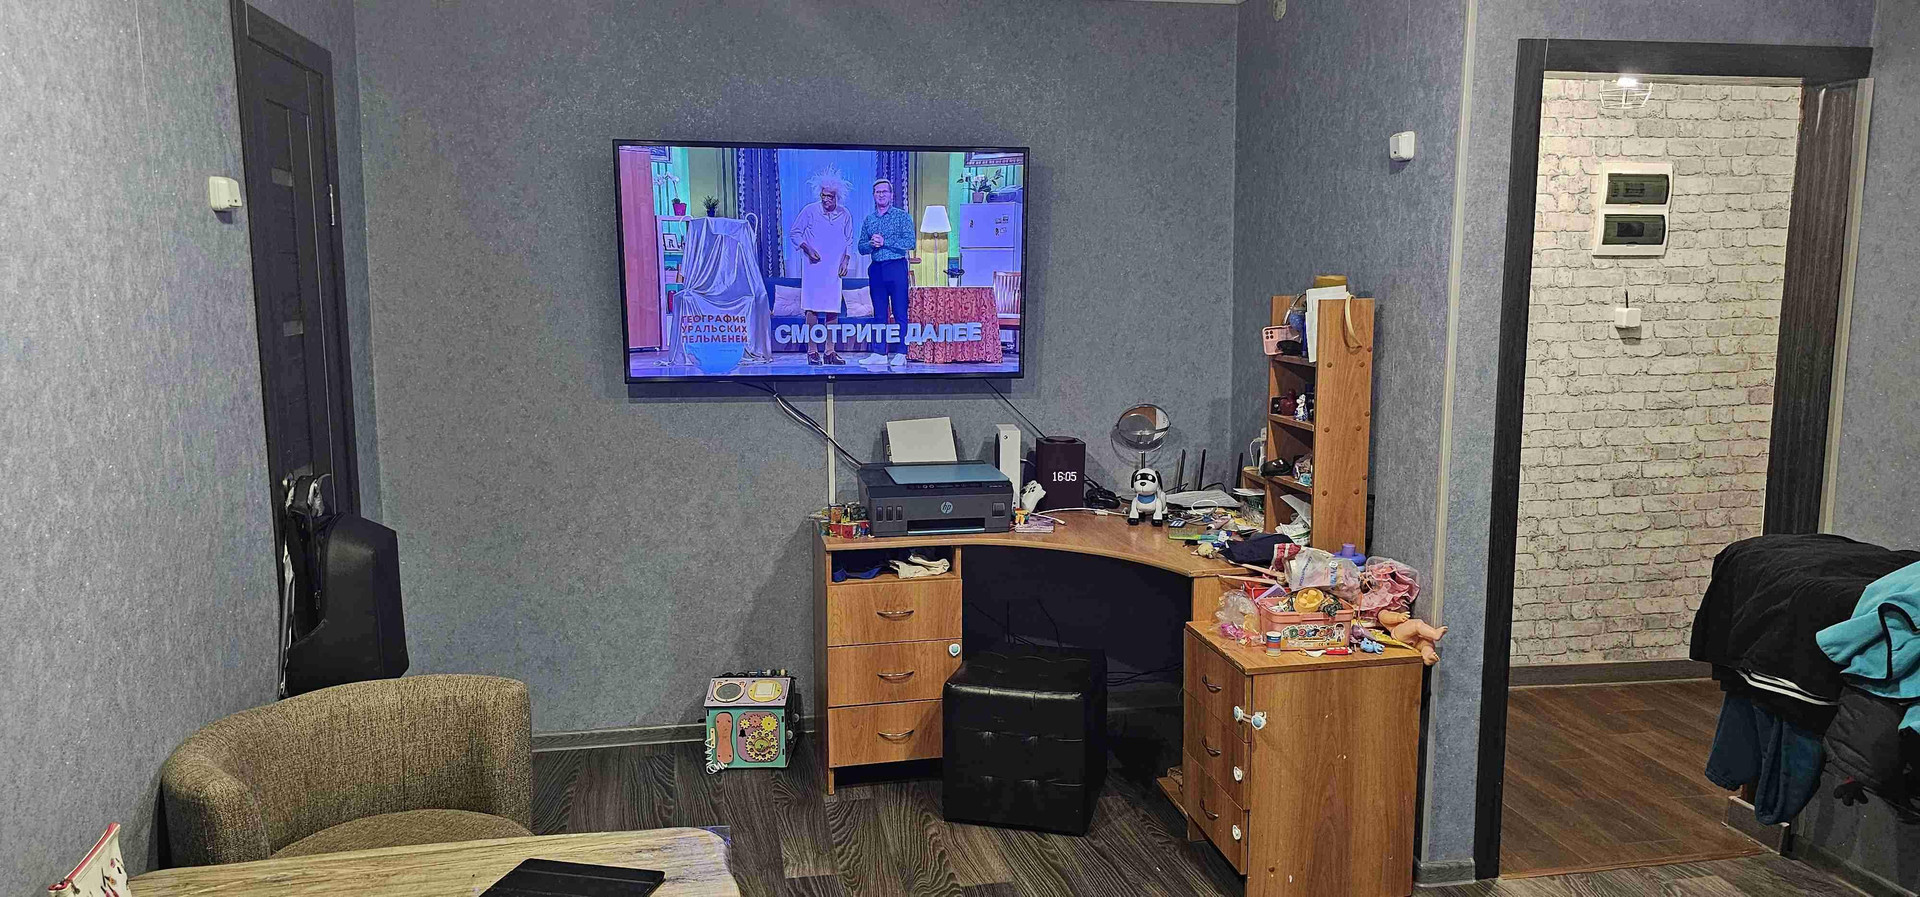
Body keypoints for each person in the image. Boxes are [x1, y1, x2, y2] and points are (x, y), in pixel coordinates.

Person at [789, 170, 855, 365]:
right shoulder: (810, 211)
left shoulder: (844, 214)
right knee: (812, 308)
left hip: (834, 269)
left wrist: (846, 260)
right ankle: (812, 351)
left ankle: (829, 352)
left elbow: (849, 240)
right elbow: (795, 233)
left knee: (833, 308)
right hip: (814, 268)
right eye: (823, 195)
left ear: (837, 197)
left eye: (830, 196)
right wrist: (807, 248)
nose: (826, 199)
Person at [856, 177, 917, 367]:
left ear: (891, 195)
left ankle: (901, 352)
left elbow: (910, 243)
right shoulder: (869, 219)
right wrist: (870, 244)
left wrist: (885, 242)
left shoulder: (902, 217)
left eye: (884, 191)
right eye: (878, 192)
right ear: (873, 195)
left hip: (896, 267)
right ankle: (879, 352)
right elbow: (861, 247)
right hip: (876, 269)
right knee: (879, 313)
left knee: (900, 311)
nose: (881, 195)